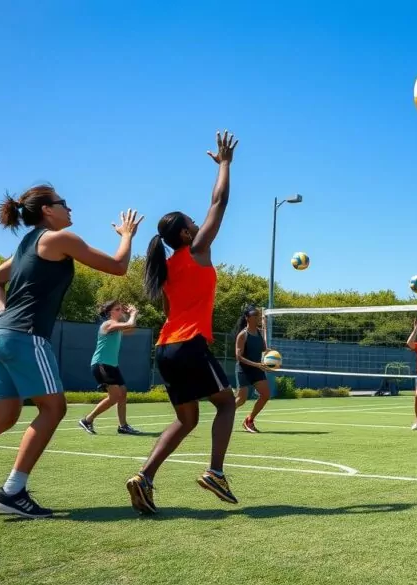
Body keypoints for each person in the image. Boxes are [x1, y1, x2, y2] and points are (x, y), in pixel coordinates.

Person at [0, 186, 141, 519]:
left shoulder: (28, 244)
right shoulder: (59, 239)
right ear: (48, 210)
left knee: (3, 415)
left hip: (0, 335)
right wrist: (127, 234)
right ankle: (13, 490)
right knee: (54, 409)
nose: (69, 208)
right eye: (64, 203)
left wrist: (2, 312)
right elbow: (119, 267)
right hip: (25, 336)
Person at [127, 130, 239, 515]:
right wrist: (225, 163)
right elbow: (219, 202)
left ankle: (144, 476)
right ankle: (216, 472)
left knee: (187, 418)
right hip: (190, 345)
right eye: (193, 221)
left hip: (167, 348)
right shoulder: (197, 250)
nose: (199, 220)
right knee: (226, 405)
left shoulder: (166, 268)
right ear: (188, 233)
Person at [78, 301, 143, 435]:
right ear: (109, 313)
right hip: (101, 364)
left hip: (112, 366)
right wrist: (133, 313)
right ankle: (87, 420)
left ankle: (123, 426)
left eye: (121, 309)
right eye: (117, 309)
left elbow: (131, 329)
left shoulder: (116, 327)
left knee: (123, 392)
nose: (121, 311)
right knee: (115, 396)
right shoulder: (108, 324)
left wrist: (129, 315)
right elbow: (130, 324)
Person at [235, 304, 272, 433]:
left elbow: (263, 349)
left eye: (259, 315)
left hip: (256, 369)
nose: (258, 317)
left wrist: (272, 358)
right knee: (241, 400)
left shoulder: (259, 333)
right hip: (244, 370)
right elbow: (238, 356)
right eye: (255, 315)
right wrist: (257, 364)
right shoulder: (242, 335)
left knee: (265, 395)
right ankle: (224, 414)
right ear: (247, 318)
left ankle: (249, 420)